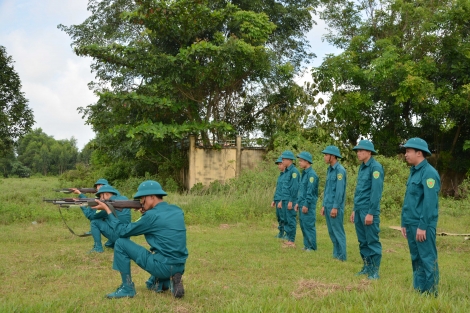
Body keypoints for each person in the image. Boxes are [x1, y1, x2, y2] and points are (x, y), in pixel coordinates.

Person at [92, 180, 188, 299]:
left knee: (121, 243)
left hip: (163, 265)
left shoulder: (151, 216)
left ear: (151, 197)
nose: (141, 202)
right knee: (151, 285)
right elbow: (160, 223)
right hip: (180, 264)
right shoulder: (177, 210)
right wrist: (146, 213)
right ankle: (169, 280)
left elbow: (122, 232)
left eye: (142, 198)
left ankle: (127, 288)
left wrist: (108, 211)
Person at [401, 138, 440, 296]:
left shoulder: (429, 173)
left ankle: (430, 292)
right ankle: (419, 289)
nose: (405, 154)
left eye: (408, 151)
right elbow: (409, 200)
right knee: (415, 257)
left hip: (422, 224)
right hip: (411, 223)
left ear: (419, 153)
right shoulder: (414, 171)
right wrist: (404, 222)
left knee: (427, 257)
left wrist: (423, 226)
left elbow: (430, 203)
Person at [349, 140, 384, 279]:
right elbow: (359, 191)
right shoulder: (362, 167)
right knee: (362, 241)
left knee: (372, 241)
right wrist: (354, 209)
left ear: (369, 152)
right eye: (357, 151)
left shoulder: (375, 168)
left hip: (369, 211)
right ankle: (367, 267)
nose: (358, 153)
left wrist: (371, 213)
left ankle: (374, 271)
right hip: (359, 210)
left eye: (361, 151)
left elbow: (376, 193)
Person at [74, 185, 131, 253]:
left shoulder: (108, 205)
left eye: (101, 196)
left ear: (106, 194)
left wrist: (82, 206)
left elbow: (91, 216)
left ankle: (98, 248)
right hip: (126, 237)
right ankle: (113, 244)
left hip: (118, 235)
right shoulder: (124, 199)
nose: (100, 199)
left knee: (94, 222)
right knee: (108, 243)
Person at [321, 145, 347, 261]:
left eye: (326, 155)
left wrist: (335, 207)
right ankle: (336, 254)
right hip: (328, 205)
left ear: (333, 156)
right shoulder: (329, 170)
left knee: (338, 231)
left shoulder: (340, 171)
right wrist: (323, 205)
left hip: (335, 206)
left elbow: (339, 191)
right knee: (331, 231)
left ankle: (342, 256)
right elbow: (327, 189)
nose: (324, 157)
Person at [295, 151, 319, 251]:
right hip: (301, 203)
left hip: (307, 205)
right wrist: (297, 202)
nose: (299, 163)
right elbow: (301, 191)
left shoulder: (312, 175)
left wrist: (306, 204)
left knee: (309, 225)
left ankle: (312, 247)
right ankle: (306, 245)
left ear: (307, 161)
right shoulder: (304, 173)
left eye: (301, 161)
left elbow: (310, 191)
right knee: (303, 225)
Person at [278, 150, 300, 248]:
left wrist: (291, 200)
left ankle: (292, 240)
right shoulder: (286, 171)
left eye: (283, 159)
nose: (282, 161)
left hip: (291, 200)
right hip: (285, 199)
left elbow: (294, 188)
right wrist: (282, 200)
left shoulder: (294, 172)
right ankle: (288, 239)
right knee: (286, 219)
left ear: (289, 160)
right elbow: (285, 188)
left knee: (291, 220)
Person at [271, 156, 286, 239]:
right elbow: (278, 188)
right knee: (279, 217)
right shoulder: (280, 175)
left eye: (280, 164)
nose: (279, 166)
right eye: (278, 164)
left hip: (283, 200)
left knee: (284, 217)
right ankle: (281, 232)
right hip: (277, 199)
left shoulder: (287, 175)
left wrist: (282, 200)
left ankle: (287, 233)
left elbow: (286, 190)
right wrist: (274, 199)